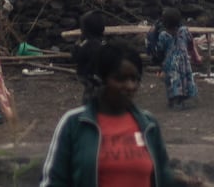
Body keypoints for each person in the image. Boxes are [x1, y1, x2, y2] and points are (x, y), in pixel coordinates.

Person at [39, 44, 170, 187]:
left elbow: (163, 177)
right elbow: (54, 181)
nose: (130, 86)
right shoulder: (74, 124)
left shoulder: (148, 125)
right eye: (121, 79)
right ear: (100, 79)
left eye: (135, 79)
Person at [147, 6, 201, 109]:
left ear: (165, 23)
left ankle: (174, 101)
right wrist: (195, 56)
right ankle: (182, 100)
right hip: (184, 63)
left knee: (173, 82)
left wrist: (158, 61)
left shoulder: (163, 35)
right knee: (185, 79)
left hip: (170, 64)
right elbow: (191, 44)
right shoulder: (184, 31)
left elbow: (160, 51)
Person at [72, 11, 107, 101]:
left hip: (91, 77)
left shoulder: (89, 43)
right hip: (93, 78)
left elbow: (75, 56)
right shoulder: (100, 42)